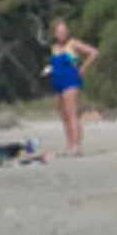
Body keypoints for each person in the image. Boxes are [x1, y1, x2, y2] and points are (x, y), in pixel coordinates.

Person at [40, 18, 99, 157]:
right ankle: (69, 144)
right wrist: (49, 69)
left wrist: (83, 68)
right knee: (63, 115)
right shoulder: (54, 47)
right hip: (57, 81)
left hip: (70, 81)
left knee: (72, 113)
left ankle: (76, 146)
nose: (63, 33)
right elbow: (56, 64)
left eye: (64, 30)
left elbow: (94, 53)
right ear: (55, 33)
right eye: (60, 31)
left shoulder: (73, 44)